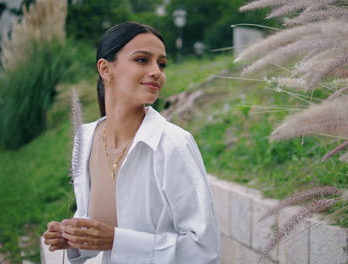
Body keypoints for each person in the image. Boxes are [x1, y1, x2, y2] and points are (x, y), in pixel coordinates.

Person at [42, 22, 221, 263]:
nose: (156, 71)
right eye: (142, 60)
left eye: (162, 63)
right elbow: (97, 234)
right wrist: (74, 237)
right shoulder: (85, 139)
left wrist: (117, 240)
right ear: (105, 69)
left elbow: (204, 249)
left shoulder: (172, 144)